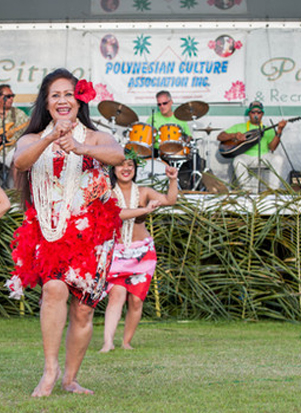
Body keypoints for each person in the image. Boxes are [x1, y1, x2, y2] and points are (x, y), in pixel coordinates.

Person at [6, 68, 125, 397]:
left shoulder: (96, 137)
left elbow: (118, 155)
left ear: (79, 100)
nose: (62, 100)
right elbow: (21, 162)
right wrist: (51, 138)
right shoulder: (32, 139)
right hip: (51, 230)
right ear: (46, 102)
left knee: (84, 308)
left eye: (68, 94)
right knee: (54, 288)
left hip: (92, 234)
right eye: (55, 94)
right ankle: (50, 370)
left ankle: (70, 378)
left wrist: (79, 146)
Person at [100, 156, 178, 353]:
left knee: (136, 299)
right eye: (121, 165)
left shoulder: (144, 192)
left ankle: (126, 342)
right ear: (113, 169)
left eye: (130, 165)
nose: (126, 169)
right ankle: (108, 342)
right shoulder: (107, 193)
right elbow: (117, 214)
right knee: (116, 295)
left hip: (142, 252)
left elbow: (170, 200)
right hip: (117, 250)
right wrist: (144, 209)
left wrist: (172, 180)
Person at [217, 101, 287, 191]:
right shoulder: (239, 127)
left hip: (264, 156)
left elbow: (272, 147)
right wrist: (234, 135)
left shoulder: (267, 129)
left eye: (259, 112)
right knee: (238, 161)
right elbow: (220, 137)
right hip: (246, 156)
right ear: (249, 114)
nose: (256, 114)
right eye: (253, 112)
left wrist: (279, 131)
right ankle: (247, 190)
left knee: (278, 159)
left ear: (262, 114)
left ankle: (273, 189)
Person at [147, 90, 200, 190]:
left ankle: (193, 188)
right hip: (160, 151)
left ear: (171, 102)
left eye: (165, 103)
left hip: (178, 150)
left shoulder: (180, 118)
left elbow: (188, 137)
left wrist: (188, 138)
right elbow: (148, 138)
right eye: (159, 104)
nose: (162, 106)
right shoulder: (152, 118)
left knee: (195, 156)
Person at [0, 84, 29, 185]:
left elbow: (29, 130)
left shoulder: (18, 114)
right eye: (8, 96)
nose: (11, 98)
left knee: (18, 157)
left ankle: (17, 193)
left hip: (12, 150)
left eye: (13, 96)